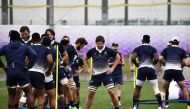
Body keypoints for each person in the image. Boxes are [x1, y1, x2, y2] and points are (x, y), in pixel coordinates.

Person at [0, 30, 36, 109]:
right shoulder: (24, 46)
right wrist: (29, 66)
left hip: (10, 72)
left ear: (10, 38)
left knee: (11, 95)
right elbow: (34, 55)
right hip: (21, 71)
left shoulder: (6, 47)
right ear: (19, 37)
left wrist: (3, 66)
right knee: (29, 93)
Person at [83, 35, 120, 109]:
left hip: (106, 74)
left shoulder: (108, 50)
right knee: (90, 94)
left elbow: (118, 57)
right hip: (95, 75)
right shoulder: (92, 51)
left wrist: (112, 68)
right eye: (98, 43)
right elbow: (84, 58)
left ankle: (117, 108)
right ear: (96, 43)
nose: (99, 45)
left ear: (103, 43)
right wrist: (88, 69)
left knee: (112, 92)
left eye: (101, 43)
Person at [45, 29, 75, 109]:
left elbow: (65, 55)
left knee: (66, 85)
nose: (49, 36)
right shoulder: (43, 45)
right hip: (48, 71)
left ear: (53, 35)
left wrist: (60, 62)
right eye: (48, 34)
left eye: (51, 34)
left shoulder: (58, 44)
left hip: (59, 69)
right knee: (49, 91)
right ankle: (46, 105)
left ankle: (72, 104)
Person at [131, 35, 163, 109]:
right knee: (156, 88)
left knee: (137, 88)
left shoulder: (138, 48)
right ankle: (160, 106)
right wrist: (153, 64)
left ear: (142, 40)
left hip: (142, 69)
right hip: (151, 69)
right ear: (149, 41)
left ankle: (135, 106)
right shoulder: (153, 48)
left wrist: (136, 64)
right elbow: (156, 58)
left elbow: (133, 58)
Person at [159, 37, 190, 109]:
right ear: (178, 43)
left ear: (171, 42)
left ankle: (162, 106)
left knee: (163, 88)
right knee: (184, 88)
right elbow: (185, 62)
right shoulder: (182, 50)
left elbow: (160, 58)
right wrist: (180, 65)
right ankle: (189, 105)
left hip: (168, 70)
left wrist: (165, 64)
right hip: (177, 70)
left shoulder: (166, 49)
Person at [28, 33, 54, 109]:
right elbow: (51, 61)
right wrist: (49, 70)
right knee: (41, 96)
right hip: (39, 73)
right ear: (40, 39)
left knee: (30, 95)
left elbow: (25, 60)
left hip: (29, 73)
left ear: (32, 40)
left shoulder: (29, 47)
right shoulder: (46, 49)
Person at [61, 36, 87, 109]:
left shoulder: (74, 50)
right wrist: (64, 65)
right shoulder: (70, 47)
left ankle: (68, 105)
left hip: (67, 71)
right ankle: (67, 105)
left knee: (71, 89)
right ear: (78, 43)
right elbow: (63, 55)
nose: (82, 47)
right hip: (64, 70)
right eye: (82, 45)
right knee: (70, 89)